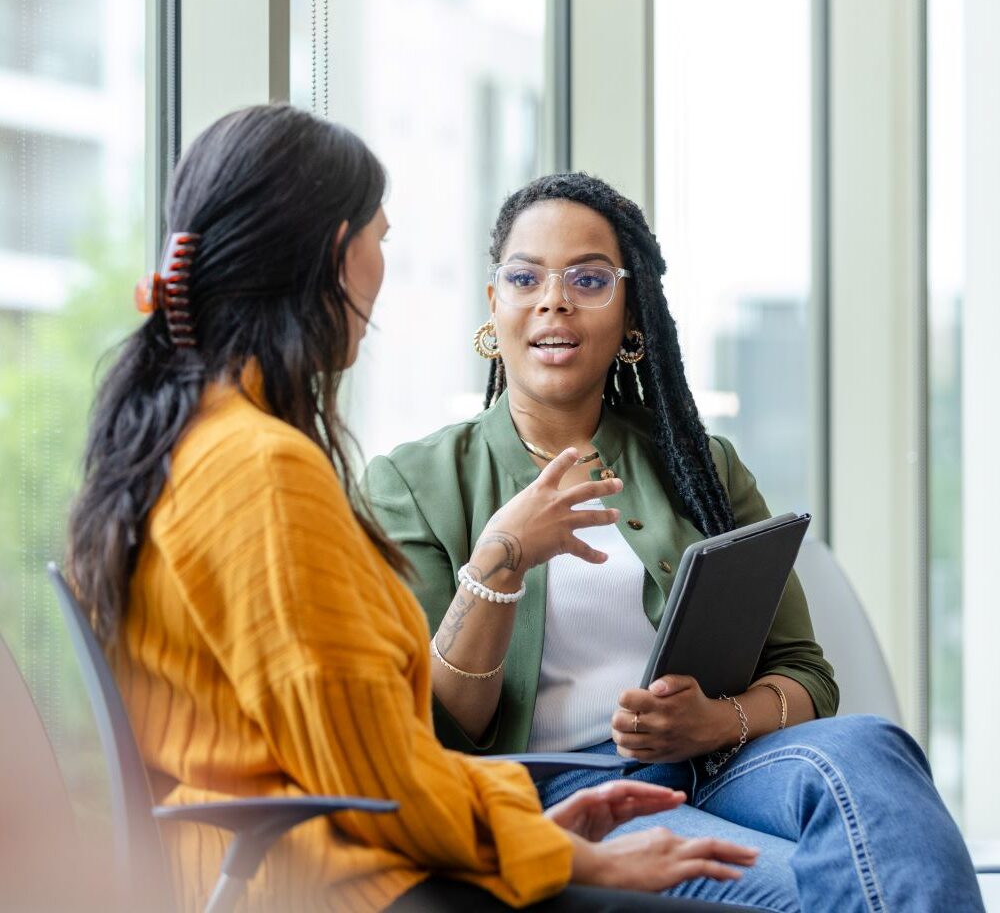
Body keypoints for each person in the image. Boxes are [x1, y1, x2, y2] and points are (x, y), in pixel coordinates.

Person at [65, 105, 759, 913]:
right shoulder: (262, 472)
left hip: (297, 860)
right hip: (333, 883)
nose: (554, 304)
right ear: (338, 254)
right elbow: (371, 774)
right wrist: (565, 855)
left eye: (588, 279)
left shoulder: (189, 444)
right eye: (382, 240)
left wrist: (535, 830)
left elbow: (366, 757)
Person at [363, 171, 986, 913]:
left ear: (632, 316)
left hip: (731, 763)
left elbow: (806, 675)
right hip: (569, 787)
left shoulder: (702, 466)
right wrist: (503, 553)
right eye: (525, 277)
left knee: (875, 749)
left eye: (589, 278)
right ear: (495, 306)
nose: (553, 299)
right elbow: (444, 722)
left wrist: (715, 722)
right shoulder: (410, 481)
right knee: (806, 891)